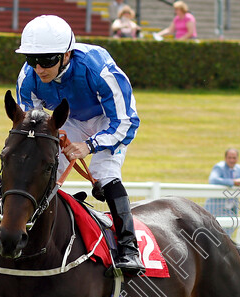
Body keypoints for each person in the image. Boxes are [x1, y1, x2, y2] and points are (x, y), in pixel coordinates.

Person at [15, 15, 144, 275]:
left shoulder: (98, 68)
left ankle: (130, 249)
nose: (39, 68)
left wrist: (90, 145)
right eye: (32, 59)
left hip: (109, 121)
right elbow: (33, 124)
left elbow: (127, 121)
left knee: (104, 173)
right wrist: (54, 138)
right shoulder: (28, 79)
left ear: (67, 54)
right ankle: (27, 236)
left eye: (47, 60)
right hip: (69, 119)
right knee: (43, 167)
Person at [204, 148, 240, 237]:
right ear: (225, 158)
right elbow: (213, 179)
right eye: (229, 158)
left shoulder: (238, 169)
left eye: (234, 158)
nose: (232, 160)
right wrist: (232, 182)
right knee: (213, 236)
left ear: (237, 159)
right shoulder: (219, 167)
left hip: (230, 210)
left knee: (227, 236)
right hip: (215, 209)